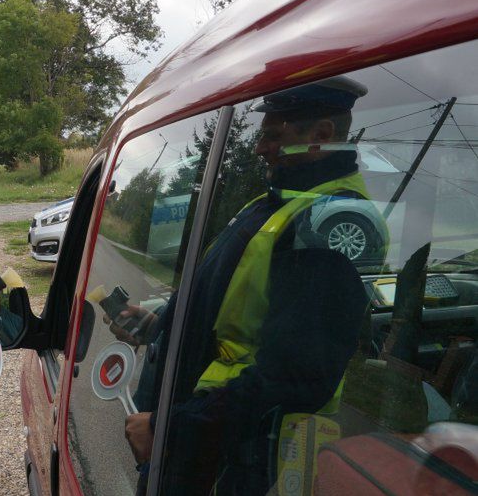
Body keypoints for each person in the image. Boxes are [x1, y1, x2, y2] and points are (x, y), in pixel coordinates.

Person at [116, 77, 381, 495]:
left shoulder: (329, 224)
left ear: (321, 136)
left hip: (234, 451)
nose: (259, 148)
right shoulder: (278, 202)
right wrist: (162, 320)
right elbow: (231, 301)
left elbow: (295, 378)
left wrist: (176, 429)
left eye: (273, 136)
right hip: (204, 433)